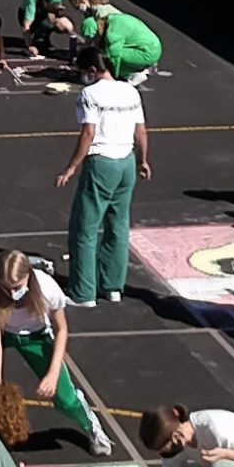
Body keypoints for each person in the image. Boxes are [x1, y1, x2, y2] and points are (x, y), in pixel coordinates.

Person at [0, 249, 110, 455]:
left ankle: (91, 426)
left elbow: (62, 331)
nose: (12, 293)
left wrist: (52, 375)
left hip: (35, 336)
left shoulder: (47, 288)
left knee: (65, 398)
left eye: (16, 287)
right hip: (0, 331)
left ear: (28, 276)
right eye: (6, 288)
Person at [57, 49, 148, 308]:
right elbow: (141, 130)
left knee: (84, 229)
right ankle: (113, 286)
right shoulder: (131, 91)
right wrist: (143, 160)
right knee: (118, 226)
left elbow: (88, 133)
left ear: (92, 71)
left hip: (101, 162)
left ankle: (84, 293)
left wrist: (71, 167)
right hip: (126, 161)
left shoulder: (90, 94)